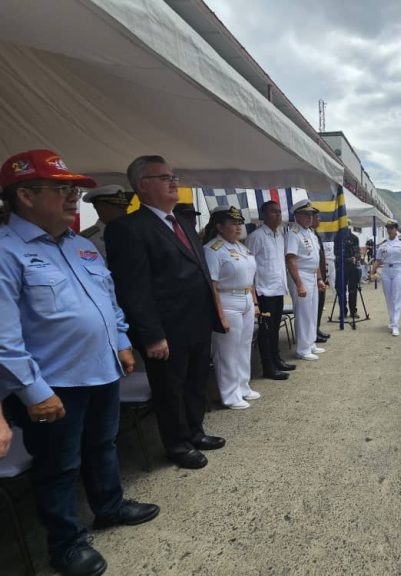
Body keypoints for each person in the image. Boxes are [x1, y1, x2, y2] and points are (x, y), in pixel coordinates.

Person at [0, 149, 159, 576]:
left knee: (102, 445)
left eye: (74, 189)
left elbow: (107, 300)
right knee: (59, 466)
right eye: (62, 189)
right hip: (53, 383)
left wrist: (122, 342)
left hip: (101, 369)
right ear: (26, 196)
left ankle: (108, 506)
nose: (73, 197)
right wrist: (33, 391)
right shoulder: (6, 250)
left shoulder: (80, 247)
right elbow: (3, 336)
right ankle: (66, 543)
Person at [105, 155, 225, 470]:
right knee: (170, 390)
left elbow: (198, 273)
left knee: (196, 383)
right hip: (167, 330)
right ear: (143, 185)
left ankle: (194, 431)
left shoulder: (183, 224)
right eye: (164, 177)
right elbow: (133, 289)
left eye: (173, 176)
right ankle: (177, 444)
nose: (174, 182)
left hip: (197, 322)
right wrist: (151, 335)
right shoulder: (128, 229)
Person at [203, 206, 261, 409]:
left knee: (244, 346)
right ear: (219, 226)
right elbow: (212, 285)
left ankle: (243, 386)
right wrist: (220, 315)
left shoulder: (240, 247)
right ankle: (229, 394)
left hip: (244, 299)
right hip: (227, 301)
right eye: (233, 223)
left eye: (239, 223)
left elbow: (249, 278)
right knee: (227, 350)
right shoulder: (213, 249)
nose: (238, 227)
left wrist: (254, 302)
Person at [245, 200, 295, 380]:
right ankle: (268, 366)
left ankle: (276, 359)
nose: (278, 215)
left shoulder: (279, 236)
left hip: (277, 289)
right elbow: (248, 266)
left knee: (274, 329)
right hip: (263, 291)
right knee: (265, 332)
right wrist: (253, 296)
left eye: (279, 212)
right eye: (273, 212)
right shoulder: (256, 237)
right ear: (264, 215)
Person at [285, 199, 326, 360]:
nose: (309, 217)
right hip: (300, 275)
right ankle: (302, 349)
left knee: (312, 311)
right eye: (305, 215)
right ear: (296, 216)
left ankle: (310, 343)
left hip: (312, 275)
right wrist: (299, 284)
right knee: (303, 313)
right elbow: (290, 260)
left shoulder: (310, 233)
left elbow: (314, 259)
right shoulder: (293, 233)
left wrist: (319, 279)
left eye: (311, 214)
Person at [369, 219, 401, 336]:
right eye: (388, 228)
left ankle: (395, 325)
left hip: (397, 270)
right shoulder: (383, 245)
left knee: (396, 298)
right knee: (389, 298)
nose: (390, 230)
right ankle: (392, 321)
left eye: (392, 228)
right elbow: (378, 261)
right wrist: (372, 272)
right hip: (386, 271)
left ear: (396, 229)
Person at [79, 184, 134, 259]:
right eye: (119, 207)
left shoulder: (132, 232)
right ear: (101, 206)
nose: (125, 211)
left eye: (125, 207)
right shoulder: (86, 240)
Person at [311, 211, 331, 342]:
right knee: (314, 307)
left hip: (321, 275)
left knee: (320, 304)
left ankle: (316, 329)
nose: (319, 220)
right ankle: (313, 333)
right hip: (313, 276)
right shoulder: (308, 235)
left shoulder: (315, 234)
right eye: (317, 217)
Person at [334, 228, 361, 318]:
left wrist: (355, 257)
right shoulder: (337, 237)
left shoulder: (354, 238)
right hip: (341, 267)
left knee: (353, 289)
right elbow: (336, 253)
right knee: (340, 290)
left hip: (352, 267)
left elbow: (357, 252)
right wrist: (348, 258)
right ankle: (343, 311)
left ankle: (353, 311)